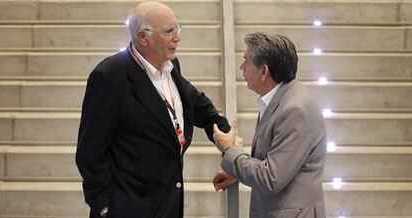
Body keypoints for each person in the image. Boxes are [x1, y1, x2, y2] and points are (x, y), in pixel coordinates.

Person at [75, 1, 230, 218]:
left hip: (169, 203)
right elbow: (90, 154)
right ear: (143, 37)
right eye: (169, 31)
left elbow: (200, 107)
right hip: (128, 208)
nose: (178, 37)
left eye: (178, 29)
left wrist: (231, 153)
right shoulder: (109, 77)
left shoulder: (170, 66)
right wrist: (104, 208)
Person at [212, 32, 327, 218]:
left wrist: (229, 150)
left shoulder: (295, 110)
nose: (241, 67)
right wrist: (236, 171)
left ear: (264, 71)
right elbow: (275, 162)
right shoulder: (279, 98)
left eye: (246, 61)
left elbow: (270, 178)